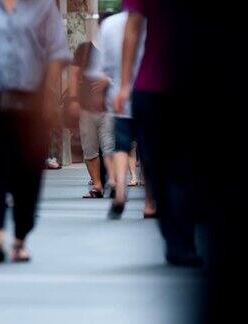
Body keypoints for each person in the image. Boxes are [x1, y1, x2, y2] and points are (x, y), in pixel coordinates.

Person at [0, 0, 70, 263]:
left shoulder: (43, 7)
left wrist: (49, 100)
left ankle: (20, 238)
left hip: (32, 99)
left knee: (28, 169)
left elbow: (56, 54)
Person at [115, 1, 202, 267]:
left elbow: (132, 27)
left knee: (169, 168)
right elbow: (133, 26)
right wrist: (126, 83)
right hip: (160, 85)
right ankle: (179, 238)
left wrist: (127, 83)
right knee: (164, 167)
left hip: (168, 87)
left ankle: (180, 238)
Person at [84, 11, 155, 220]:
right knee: (147, 149)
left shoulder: (109, 25)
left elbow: (98, 70)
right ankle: (150, 203)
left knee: (121, 146)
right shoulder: (149, 21)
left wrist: (98, 94)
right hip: (147, 93)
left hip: (118, 98)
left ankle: (121, 192)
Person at [69, 42, 116, 199]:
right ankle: (97, 185)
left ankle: (114, 183)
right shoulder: (84, 48)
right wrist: (73, 99)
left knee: (109, 145)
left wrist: (108, 81)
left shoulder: (114, 46)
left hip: (109, 107)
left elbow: (123, 73)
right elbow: (74, 74)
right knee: (89, 148)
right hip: (86, 107)